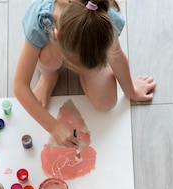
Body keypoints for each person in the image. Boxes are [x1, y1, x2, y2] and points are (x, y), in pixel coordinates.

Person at [14, 0, 156, 147]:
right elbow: (19, 85)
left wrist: (131, 91)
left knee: (106, 103)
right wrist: (54, 127)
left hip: (82, 36)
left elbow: (117, 56)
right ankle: (49, 76)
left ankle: (88, 69)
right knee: (48, 58)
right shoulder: (41, 19)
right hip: (51, 43)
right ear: (58, 35)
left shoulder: (102, 18)